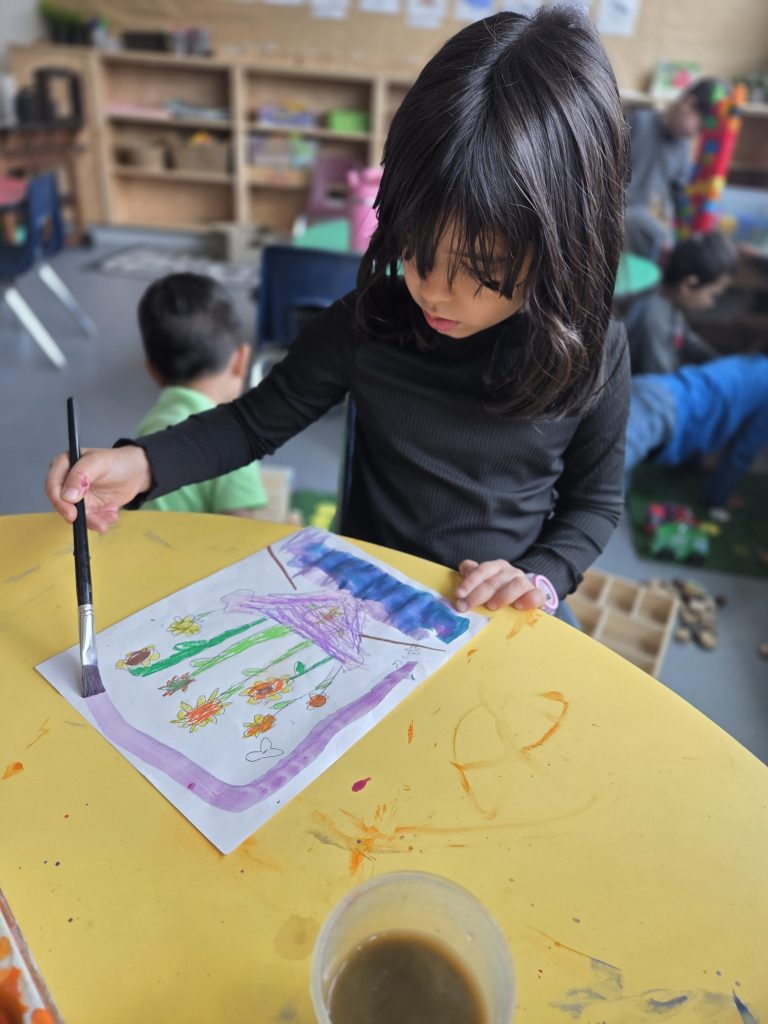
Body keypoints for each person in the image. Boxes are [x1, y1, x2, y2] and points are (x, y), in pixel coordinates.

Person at [45, 7, 631, 622]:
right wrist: (138, 464)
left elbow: (593, 505)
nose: (432, 291)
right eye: (415, 247)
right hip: (370, 597)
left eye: (480, 268)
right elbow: (251, 423)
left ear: (564, 244)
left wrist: (539, 575)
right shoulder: (373, 322)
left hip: (507, 612)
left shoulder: (591, 352)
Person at [136, 272, 267, 517]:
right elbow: (241, 526)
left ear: (151, 370)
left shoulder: (149, 427)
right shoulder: (233, 439)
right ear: (241, 359)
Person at [625, 354, 768, 512]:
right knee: (609, 493)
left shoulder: (757, 365)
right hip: (657, 408)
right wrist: (717, 498)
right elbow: (742, 452)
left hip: (651, 390)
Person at [624, 78, 723, 261]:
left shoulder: (684, 148)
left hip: (654, 234)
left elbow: (679, 194)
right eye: (698, 126)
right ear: (689, 102)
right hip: (622, 218)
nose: (694, 135)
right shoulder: (638, 121)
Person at [626, 231, 737, 376]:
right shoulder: (655, 317)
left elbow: (691, 343)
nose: (711, 304)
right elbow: (659, 375)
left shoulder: (671, 309)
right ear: (688, 285)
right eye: (713, 295)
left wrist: (725, 366)